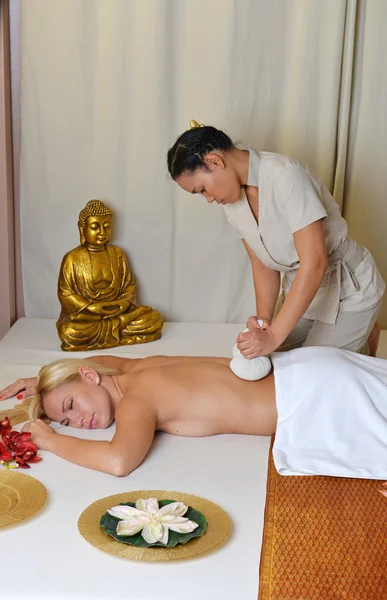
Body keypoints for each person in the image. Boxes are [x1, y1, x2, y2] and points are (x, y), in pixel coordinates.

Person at [167, 121, 385, 358]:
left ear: (214, 161)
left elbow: (315, 264)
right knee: (267, 362)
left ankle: (361, 333)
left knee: (311, 373)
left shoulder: (285, 175)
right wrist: (264, 324)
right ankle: (358, 334)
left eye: (202, 189)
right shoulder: (231, 200)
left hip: (348, 290)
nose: (207, 199)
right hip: (302, 291)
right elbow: (262, 265)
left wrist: (273, 337)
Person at [1, 347, 387, 480]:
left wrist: (51, 439)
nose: (78, 421)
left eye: (71, 405)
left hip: (315, 397)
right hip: (309, 368)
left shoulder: (138, 401)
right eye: (67, 421)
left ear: (89, 377)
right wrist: (45, 384)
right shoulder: (137, 368)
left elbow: (118, 461)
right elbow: (101, 361)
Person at [57, 199, 163, 351]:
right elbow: (65, 293)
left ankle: (119, 325)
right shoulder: (72, 258)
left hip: (117, 310)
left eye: (107, 227)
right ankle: (119, 328)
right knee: (69, 331)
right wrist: (91, 308)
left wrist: (124, 304)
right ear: (82, 229)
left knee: (154, 318)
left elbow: (129, 285)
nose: (102, 232)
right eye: (95, 227)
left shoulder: (117, 254)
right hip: (89, 315)